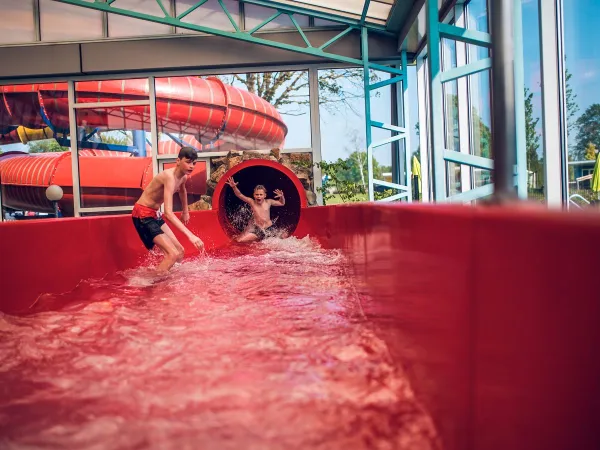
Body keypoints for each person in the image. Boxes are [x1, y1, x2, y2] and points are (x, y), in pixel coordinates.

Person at [132, 146, 204, 273]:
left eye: (194, 163)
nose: (192, 166)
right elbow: (168, 214)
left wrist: (185, 211)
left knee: (180, 252)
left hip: (153, 214)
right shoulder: (169, 177)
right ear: (178, 161)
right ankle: (151, 283)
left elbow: (182, 191)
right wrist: (191, 236)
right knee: (172, 255)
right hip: (142, 215)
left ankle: (168, 277)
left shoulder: (183, 177)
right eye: (188, 162)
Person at [226, 176, 285, 243]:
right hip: (258, 229)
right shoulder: (252, 202)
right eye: (257, 194)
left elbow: (281, 203)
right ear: (254, 195)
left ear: (264, 195)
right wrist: (234, 187)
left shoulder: (269, 201)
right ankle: (259, 239)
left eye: (260, 194)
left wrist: (282, 197)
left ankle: (263, 240)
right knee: (239, 241)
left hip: (270, 228)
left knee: (284, 235)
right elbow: (240, 195)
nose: (259, 196)